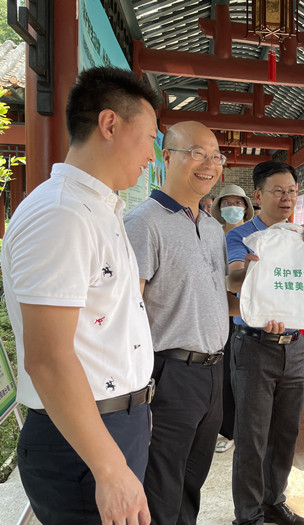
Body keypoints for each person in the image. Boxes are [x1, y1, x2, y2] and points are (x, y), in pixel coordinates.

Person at [0, 66, 159, 524]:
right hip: (83, 442)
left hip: (109, 425)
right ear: (110, 125)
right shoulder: (62, 214)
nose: (152, 155)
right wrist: (109, 468)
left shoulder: (98, 209)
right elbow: (48, 359)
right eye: (149, 137)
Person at [226, 160, 304, 525]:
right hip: (253, 346)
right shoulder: (242, 236)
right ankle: (248, 516)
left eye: (292, 191)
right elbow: (235, 281)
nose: (286, 198)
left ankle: (273, 502)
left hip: (294, 347)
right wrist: (254, 272)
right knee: (252, 438)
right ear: (257, 195)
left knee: (286, 432)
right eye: (278, 191)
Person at [124, 121, 237, 524]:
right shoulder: (144, 222)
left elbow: (214, 300)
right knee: (160, 485)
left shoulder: (211, 228)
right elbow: (125, 315)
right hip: (168, 373)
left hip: (212, 373)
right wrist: (137, 393)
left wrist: (274, 300)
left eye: (216, 155)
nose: (209, 164)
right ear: (166, 156)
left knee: (192, 481)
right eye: (196, 153)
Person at [211, 184, 254, 453]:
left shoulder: (251, 237)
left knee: (239, 373)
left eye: (238, 203)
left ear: (247, 206)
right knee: (222, 372)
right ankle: (226, 429)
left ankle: (239, 429)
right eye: (227, 203)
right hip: (217, 310)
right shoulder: (212, 235)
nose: (233, 208)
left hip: (244, 313)